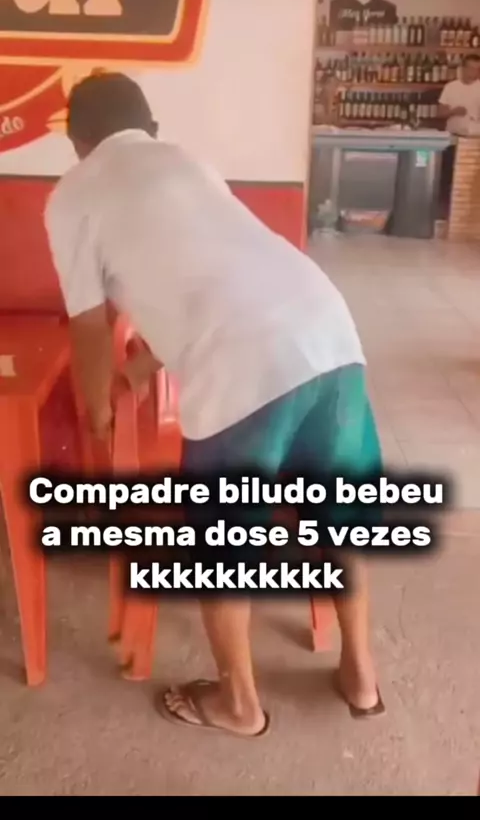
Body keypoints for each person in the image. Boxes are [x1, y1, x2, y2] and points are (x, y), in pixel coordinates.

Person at [45, 72, 384, 737]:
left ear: (77, 142)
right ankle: (361, 677)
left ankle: (240, 705)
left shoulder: (74, 195)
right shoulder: (186, 161)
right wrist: (143, 366)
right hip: (328, 333)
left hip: (242, 369)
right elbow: (220, 278)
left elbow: (87, 324)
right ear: (150, 129)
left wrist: (97, 409)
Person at [437, 54, 480, 214]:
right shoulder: (451, 87)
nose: (473, 72)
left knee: (470, 180)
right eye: (471, 68)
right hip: (453, 138)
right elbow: (440, 113)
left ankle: (468, 213)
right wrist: (454, 111)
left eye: (477, 69)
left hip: (475, 140)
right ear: (462, 68)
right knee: (448, 176)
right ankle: (445, 211)